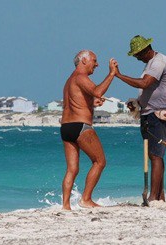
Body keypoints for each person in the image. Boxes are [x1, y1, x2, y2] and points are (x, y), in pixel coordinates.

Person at [115, 35, 166, 202]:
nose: (136, 57)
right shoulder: (150, 63)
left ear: (146, 50)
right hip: (148, 112)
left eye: (137, 54)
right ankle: (160, 196)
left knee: (156, 155)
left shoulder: (158, 62)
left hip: (158, 113)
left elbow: (144, 83)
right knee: (154, 155)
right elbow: (148, 90)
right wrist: (137, 103)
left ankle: (153, 197)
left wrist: (118, 75)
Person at [61, 50, 117, 209]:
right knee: (100, 161)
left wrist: (92, 103)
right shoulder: (80, 77)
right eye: (94, 60)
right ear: (84, 60)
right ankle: (86, 199)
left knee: (72, 169)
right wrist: (112, 73)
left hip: (66, 128)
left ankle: (65, 206)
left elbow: (74, 104)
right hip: (81, 127)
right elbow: (98, 91)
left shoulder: (69, 80)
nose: (97, 64)